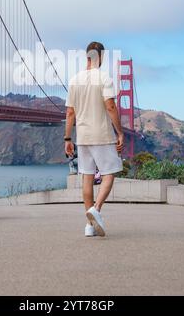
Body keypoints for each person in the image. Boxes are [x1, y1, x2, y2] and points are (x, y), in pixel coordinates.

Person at [64, 42, 124, 237]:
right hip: (102, 135)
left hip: (82, 137)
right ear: (102, 57)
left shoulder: (74, 80)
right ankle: (96, 209)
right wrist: (120, 132)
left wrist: (67, 138)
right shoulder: (104, 78)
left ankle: (89, 226)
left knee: (87, 177)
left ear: (87, 57)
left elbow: (70, 113)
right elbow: (111, 107)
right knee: (110, 172)